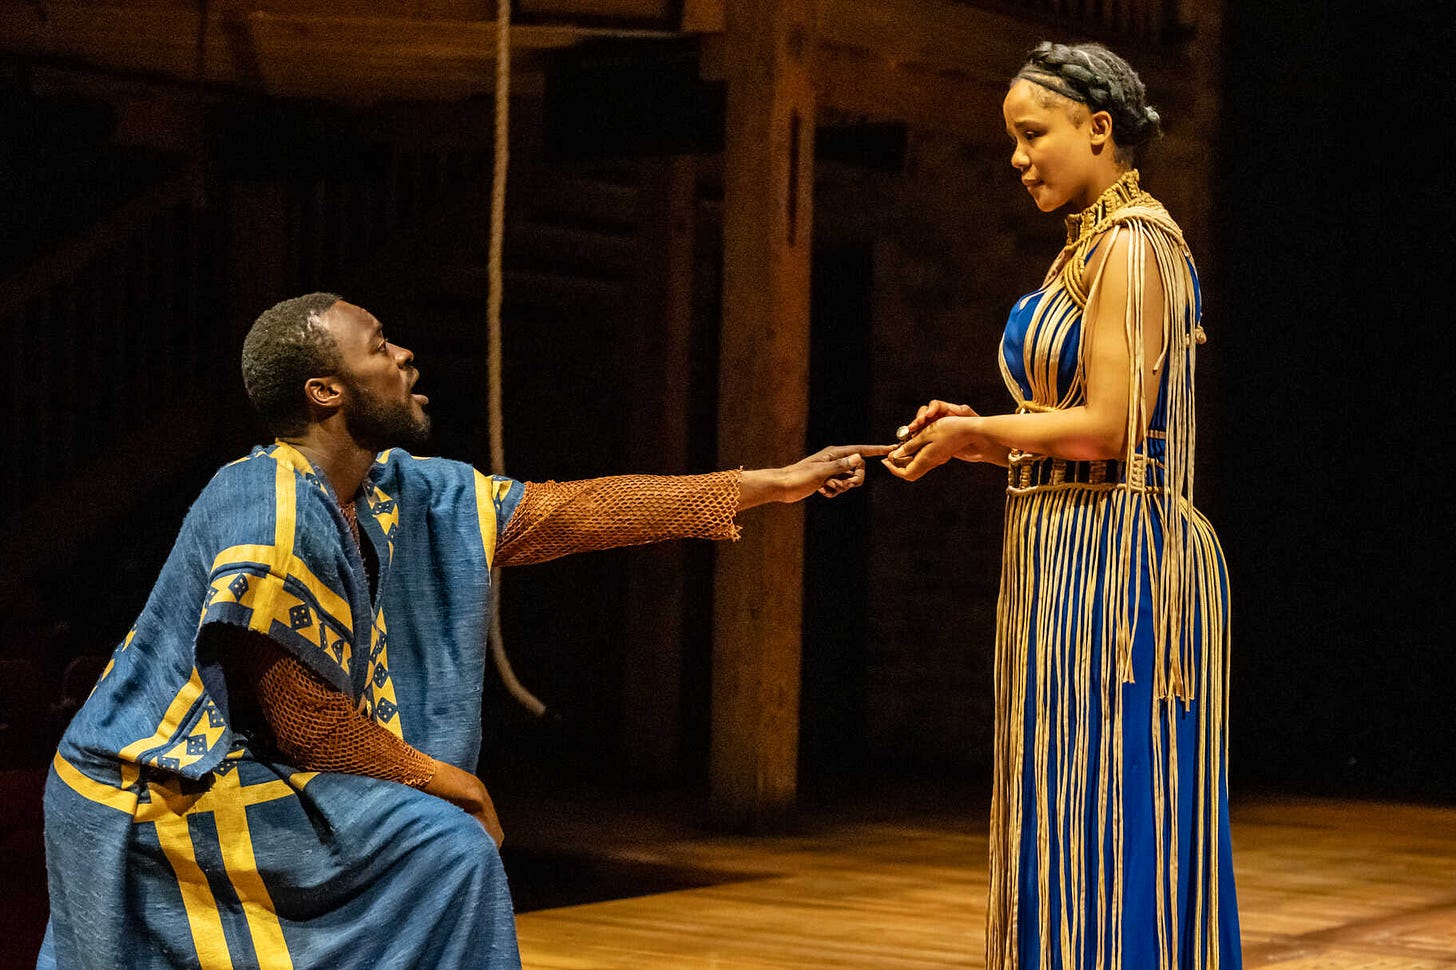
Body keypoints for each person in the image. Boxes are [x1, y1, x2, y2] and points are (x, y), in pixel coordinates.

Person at [39, 292, 888, 969]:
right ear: (324, 391)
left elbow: (570, 511)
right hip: (162, 784)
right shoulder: (265, 505)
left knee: (442, 847)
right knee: (448, 843)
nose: (403, 354)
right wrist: (451, 782)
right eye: (377, 345)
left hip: (267, 766)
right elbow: (304, 719)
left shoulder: (404, 490)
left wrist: (769, 485)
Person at [883, 42, 1240, 969]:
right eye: (1013, 138)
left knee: (1113, 804)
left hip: (1122, 565)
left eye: (1033, 134)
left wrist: (981, 435)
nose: (1018, 157)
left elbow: (1110, 427)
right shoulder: (1086, 248)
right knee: (1060, 799)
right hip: (1067, 554)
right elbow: (1063, 412)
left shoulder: (1134, 245)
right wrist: (984, 423)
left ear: (1099, 128)